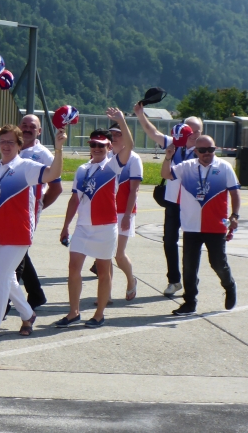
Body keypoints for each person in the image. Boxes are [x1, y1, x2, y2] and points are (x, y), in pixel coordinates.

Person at [0, 123, 66, 345]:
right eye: (2, 141)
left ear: (19, 145)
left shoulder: (26, 167)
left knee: (0, 279)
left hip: (17, 233)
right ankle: (28, 314)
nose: (6, 146)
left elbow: (53, 174)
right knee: (8, 279)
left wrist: (59, 149)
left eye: (11, 142)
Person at [0, 105, 62, 309]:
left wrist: (39, 205)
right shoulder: (9, 144)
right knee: (15, 256)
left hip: (25, 213)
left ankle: (4, 303)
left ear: (39, 131)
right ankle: (34, 295)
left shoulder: (42, 154)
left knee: (13, 260)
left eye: (32, 126)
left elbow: (56, 186)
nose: (27, 128)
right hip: (3, 211)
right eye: (24, 124)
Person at [57, 109, 134, 329]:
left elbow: (129, 145)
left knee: (103, 271)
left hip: (105, 227)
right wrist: (65, 226)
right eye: (93, 144)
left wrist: (121, 120)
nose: (97, 148)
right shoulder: (82, 169)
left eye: (101, 145)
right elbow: (74, 200)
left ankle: (99, 314)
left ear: (109, 147)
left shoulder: (113, 165)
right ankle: (74, 312)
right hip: (83, 226)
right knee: (73, 268)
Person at [161, 135, 240, 315]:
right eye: (202, 150)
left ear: (215, 149)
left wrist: (235, 215)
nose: (207, 153)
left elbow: (235, 193)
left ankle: (229, 285)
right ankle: (190, 302)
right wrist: (167, 158)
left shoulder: (224, 167)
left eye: (210, 150)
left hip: (216, 225)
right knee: (189, 266)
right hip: (191, 226)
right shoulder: (187, 167)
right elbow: (166, 174)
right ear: (196, 151)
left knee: (217, 263)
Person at [134, 104, 203, 296]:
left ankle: (192, 278)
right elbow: (152, 132)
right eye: (190, 130)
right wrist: (140, 115)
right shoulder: (174, 144)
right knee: (169, 241)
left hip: (193, 204)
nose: (194, 134)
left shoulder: (203, 149)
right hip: (173, 202)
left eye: (198, 131)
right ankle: (174, 280)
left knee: (191, 244)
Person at [108, 122, 141, 301]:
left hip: (124, 212)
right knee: (104, 255)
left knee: (119, 255)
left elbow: (134, 190)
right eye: (112, 134)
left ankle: (131, 280)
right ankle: (106, 293)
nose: (114, 137)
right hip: (106, 211)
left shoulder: (134, 159)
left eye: (118, 134)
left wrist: (127, 215)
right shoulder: (105, 155)